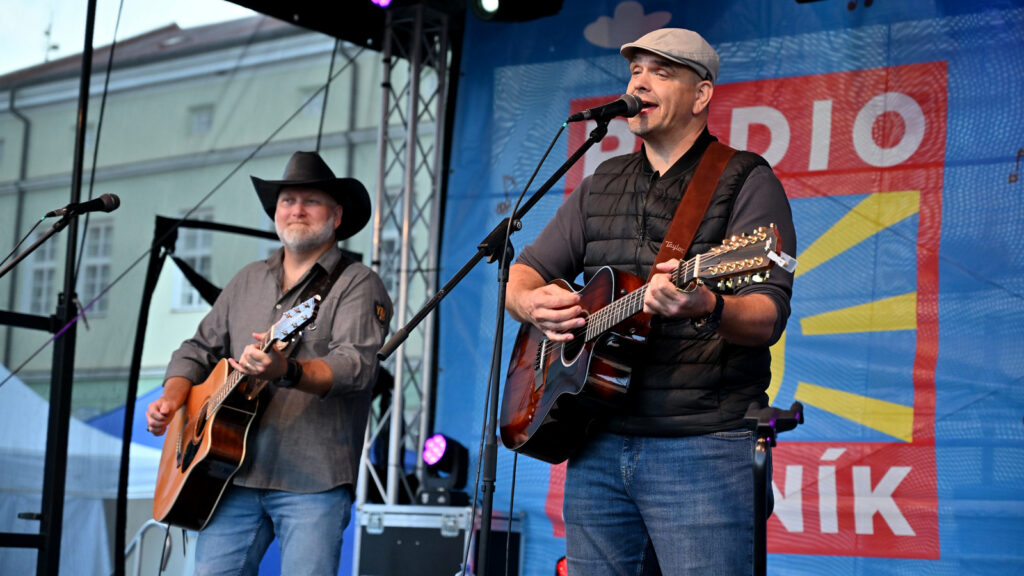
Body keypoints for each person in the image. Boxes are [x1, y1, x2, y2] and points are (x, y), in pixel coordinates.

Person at [505, 28, 796, 574]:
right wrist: (529, 304)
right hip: (596, 439)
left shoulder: (745, 179)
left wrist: (708, 306)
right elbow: (523, 274)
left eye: (661, 72)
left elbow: (767, 316)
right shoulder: (602, 180)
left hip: (702, 446)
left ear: (701, 94)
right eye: (635, 71)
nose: (639, 83)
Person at [145, 151, 392, 575]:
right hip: (228, 476)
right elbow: (196, 349)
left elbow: (356, 367)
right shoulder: (247, 279)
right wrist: (172, 398)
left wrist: (288, 371)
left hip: (313, 479)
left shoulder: (357, 283)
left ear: (336, 216)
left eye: (311, 201)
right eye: (287, 201)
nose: (296, 210)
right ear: (276, 213)